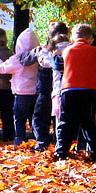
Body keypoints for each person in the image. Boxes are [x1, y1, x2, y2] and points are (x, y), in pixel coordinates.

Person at [55, 24, 96, 162]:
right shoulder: (94, 51)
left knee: (65, 122)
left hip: (68, 90)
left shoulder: (67, 51)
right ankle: (94, 153)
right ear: (90, 39)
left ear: (73, 38)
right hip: (88, 91)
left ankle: (61, 151)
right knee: (88, 122)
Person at [19, 21, 69, 151]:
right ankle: (60, 143)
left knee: (40, 118)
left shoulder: (42, 51)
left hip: (45, 89)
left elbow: (24, 60)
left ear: (49, 37)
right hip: (64, 89)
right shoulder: (70, 51)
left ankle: (42, 143)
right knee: (60, 118)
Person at [0, 28, 40, 145]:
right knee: (34, 120)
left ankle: (19, 141)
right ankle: (40, 141)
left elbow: (2, 68)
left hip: (21, 93)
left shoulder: (18, 59)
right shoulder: (37, 58)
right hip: (36, 93)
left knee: (19, 119)